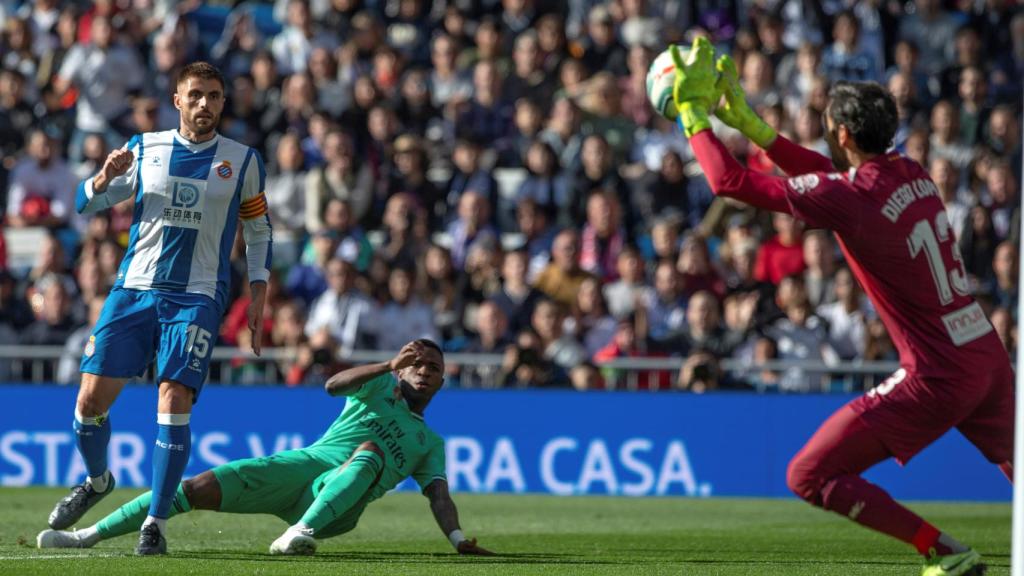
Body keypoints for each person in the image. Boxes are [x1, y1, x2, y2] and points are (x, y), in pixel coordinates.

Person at [670, 38, 1013, 576]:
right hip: (985, 354)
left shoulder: (850, 199)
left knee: (808, 474)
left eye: (829, 125)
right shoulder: (913, 171)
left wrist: (692, 116)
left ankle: (944, 551)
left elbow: (727, 182)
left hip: (937, 374)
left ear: (844, 134)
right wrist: (756, 129)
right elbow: (829, 176)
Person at [50, 62, 273, 556]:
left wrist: (258, 289)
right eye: (195, 95)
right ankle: (98, 479)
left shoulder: (242, 160)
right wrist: (102, 178)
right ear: (177, 100)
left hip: (196, 296)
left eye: (214, 96)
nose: (204, 105)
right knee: (89, 405)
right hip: (134, 290)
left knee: (172, 399)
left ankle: (155, 522)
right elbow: (86, 206)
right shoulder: (144, 148)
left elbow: (258, 230)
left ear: (222, 102)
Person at [38, 339, 493, 558]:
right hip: (302, 468)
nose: (423, 371)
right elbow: (333, 385)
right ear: (401, 371)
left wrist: (457, 540)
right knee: (194, 488)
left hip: (337, 505)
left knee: (371, 451)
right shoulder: (378, 388)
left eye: (433, 367)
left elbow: (439, 495)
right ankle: (83, 537)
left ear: (443, 380)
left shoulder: (430, 442)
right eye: (416, 364)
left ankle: (300, 533)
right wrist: (387, 364)